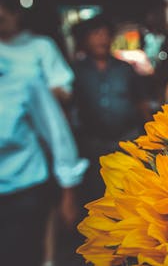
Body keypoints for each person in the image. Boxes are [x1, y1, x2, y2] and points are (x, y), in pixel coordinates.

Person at [0, 59, 88, 265]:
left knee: (20, 256)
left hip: (23, 190)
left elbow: (57, 135)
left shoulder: (23, 79)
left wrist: (68, 191)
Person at [71, 14, 150, 204]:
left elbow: (141, 102)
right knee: (100, 196)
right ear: (85, 39)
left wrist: (149, 135)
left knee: (132, 191)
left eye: (106, 34)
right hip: (94, 147)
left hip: (127, 141)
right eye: (97, 34)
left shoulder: (125, 69)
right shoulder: (76, 72)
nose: (103, 39)